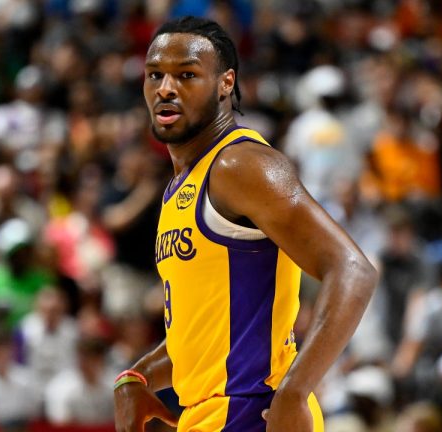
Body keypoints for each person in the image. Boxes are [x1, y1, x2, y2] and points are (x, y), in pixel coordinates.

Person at [113, 17, 377, 432]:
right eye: (155, 75)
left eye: (186, 75)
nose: (165, 88)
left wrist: (293, 392)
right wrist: (138, 376)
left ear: (225, 83)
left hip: (251, 412)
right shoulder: (181, 186)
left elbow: (352, 269)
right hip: (210, 415)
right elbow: (203, 336)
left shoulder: (240, 164)